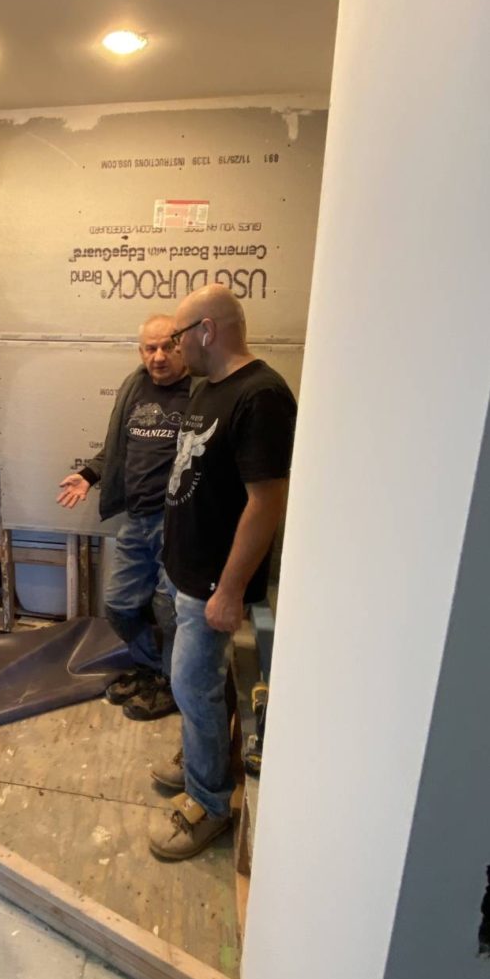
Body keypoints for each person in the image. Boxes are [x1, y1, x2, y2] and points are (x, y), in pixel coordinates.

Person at [148, 285, 297, 859]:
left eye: (179, 337)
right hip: (184, 572)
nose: (174, 349)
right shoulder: (209, 388)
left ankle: (208, 803)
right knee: (198, 688)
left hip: (213, 582)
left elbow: (266, 502)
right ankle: (201, 755)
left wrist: (230, 590)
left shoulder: (262, 396)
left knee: (194, 686)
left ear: (206, 331)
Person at [56, 315, 191, 720]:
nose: (158, 356)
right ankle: (150, 669)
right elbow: (116, 449)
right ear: (141, 351)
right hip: (137, 518)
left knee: (169, 610)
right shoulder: (135, 385)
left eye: (167, 346)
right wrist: (88, 474)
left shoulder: (200, 390)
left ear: (182, 346)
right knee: (118, 604)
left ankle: (171, 683)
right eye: (150, 348)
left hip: (178, 523)